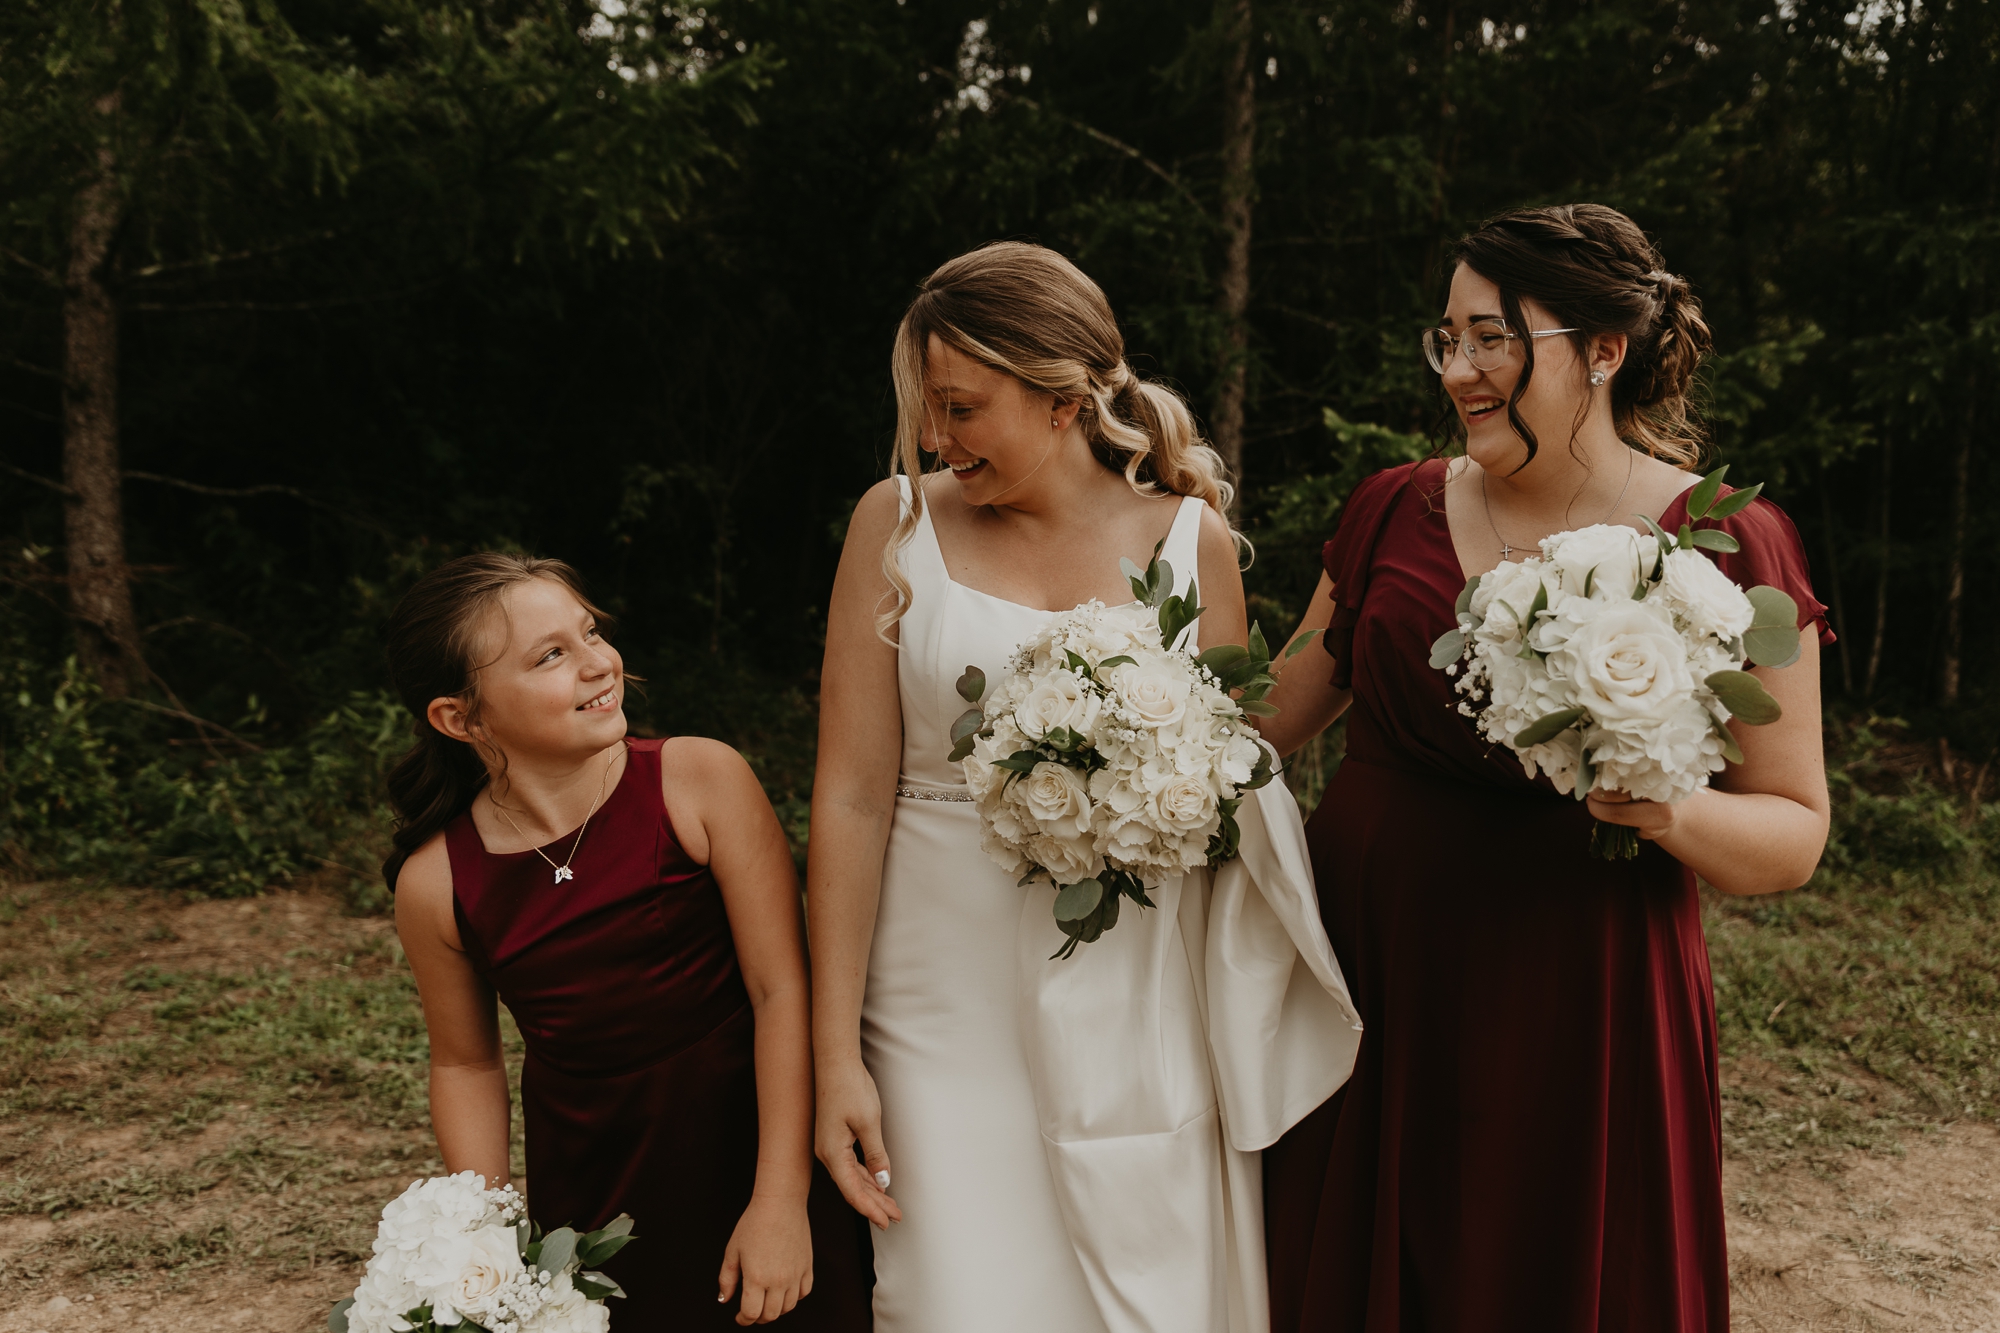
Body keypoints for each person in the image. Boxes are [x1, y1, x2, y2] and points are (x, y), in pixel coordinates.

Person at [1254, 204, 1833, 1332]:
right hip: (1370, 969)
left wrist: (1664, 808)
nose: (1457, 369)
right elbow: (1265, 720)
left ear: (1601, 352)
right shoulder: (1387, 507)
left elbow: (1792, 832)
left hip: (1581, 995)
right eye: (1446, 339)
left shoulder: (1723, 545)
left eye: (1491, 339)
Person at [806, 241, 1359, 1333]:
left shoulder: (1188, 540)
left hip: (1130, 981)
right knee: (957, 1294)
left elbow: (1221, 779)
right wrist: (833, 1058)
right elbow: (851, 797)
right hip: (932, 988)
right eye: (925, 406)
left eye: (961, 407)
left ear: (1062, 399)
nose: (933, 437)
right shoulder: (896, 522)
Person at [383, 553, 872, 1330]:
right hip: (596, 1183)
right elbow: (467, 1062)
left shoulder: (699, 780)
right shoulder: (437, 880)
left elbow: (781, 990)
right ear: (460, 717)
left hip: (755, 1141)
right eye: (551, 655)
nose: (597, 663)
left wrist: (780, 1200)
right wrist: (487, 1243)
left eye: (590, 633)